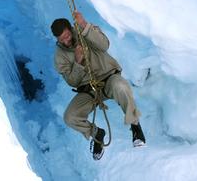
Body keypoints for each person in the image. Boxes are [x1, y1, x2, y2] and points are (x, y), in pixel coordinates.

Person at [51, 11, 146, 160]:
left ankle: (135, 126)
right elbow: (72, 81)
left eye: (67, 36)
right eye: (61, 39)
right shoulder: (59, 56)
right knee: (70, 117)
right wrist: (77, 63)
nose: (66, 41)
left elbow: (104, 45)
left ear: (71, 29)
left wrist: (83, 24)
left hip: (109, 79)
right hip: (88, 91)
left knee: (121, 86)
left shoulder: (84, 31)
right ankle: (97, 134)